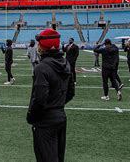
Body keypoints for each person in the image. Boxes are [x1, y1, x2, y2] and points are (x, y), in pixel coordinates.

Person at [27, 28, 75, 162]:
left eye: (39, 43)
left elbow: (39, 99)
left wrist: (32, 117)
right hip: (60, 116)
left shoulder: (42, 67)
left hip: (45, 121)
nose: (37, 46)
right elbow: (71, 92)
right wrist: (57, 105)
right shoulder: (66, 63)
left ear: (43, 46)